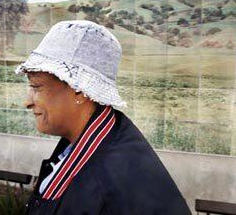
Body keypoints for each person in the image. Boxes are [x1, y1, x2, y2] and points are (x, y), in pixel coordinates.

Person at [16, 20, 191, 214]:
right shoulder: (101, 136)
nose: (27, 102)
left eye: (36, 87)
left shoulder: (109, 180)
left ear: (79, 90)